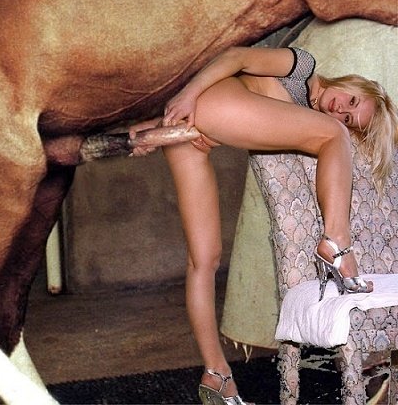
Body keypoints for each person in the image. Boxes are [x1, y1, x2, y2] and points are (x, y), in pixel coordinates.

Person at [129, 46, 398, 405]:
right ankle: (336, 245)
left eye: (349, 117)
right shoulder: (302, 67)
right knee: (334, 135)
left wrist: (159, 125)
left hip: (196, 133)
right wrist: (187, 96)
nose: (340, 109)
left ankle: (217, 376)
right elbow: (236, 57)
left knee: (203, 260)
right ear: (354, 83)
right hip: (205, 105)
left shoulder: (304, 121)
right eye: (351, 99)